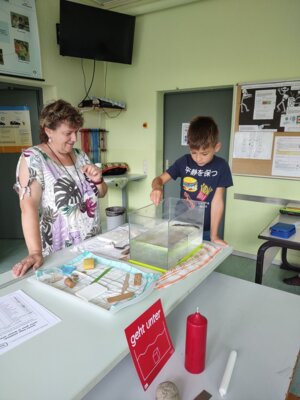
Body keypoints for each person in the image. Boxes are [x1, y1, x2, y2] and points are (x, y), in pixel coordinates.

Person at [12, 99, 107, 277]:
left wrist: (98, 180)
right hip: (60, 248)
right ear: (49, 131)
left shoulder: (80, 155)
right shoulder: (34, 158)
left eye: (76, 132)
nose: (74, 138)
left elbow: (101, 194)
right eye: (68, 133)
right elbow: (28, 207)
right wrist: (35, 252)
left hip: (92, 242)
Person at [150, 116, 233, 245]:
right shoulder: (184, 162)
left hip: (205, 228)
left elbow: (217, 201)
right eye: (194, 152)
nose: (198, 158)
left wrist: (214, 235)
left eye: (204, 154)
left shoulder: (221, 166)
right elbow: (159, 179)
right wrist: (157, 188)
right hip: (180, 226)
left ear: (216, 147)